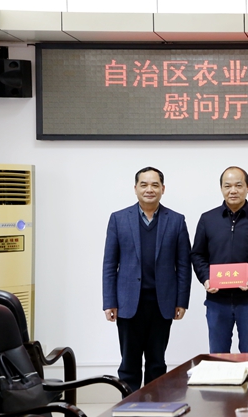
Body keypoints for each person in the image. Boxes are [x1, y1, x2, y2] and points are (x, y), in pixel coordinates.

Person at [102, 166, 192, 392]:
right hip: (128, 303)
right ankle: (129, 406)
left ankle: (156, 406)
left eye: (154, 185)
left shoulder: (176, 220)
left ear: (163, 189)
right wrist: (109, 301)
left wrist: (181, 301)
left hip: (162, 303)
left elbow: (183, 264)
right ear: (135, 188)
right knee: (129, 364)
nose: (149, 189)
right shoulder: (118, 219)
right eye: (144, 184)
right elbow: (110, 264)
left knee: (157, 362)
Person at [191, 166, 248, 353]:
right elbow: (197, 254)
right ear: (221, 188)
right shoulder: (208, 219)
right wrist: (206, 278)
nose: (233, 190)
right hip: (216, 301)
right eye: (227, 186)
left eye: (238, 185)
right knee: (218, 356)